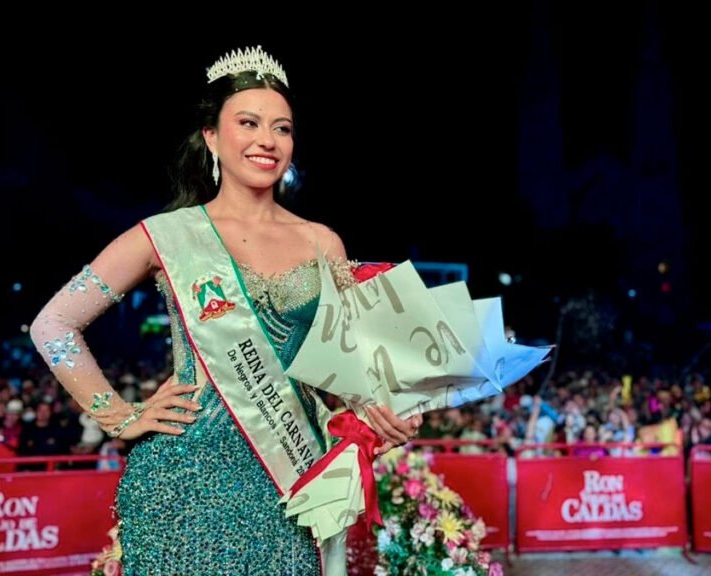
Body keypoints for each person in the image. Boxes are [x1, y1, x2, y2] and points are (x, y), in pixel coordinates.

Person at [31, 46, 422, 576]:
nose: (268, 140)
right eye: (249, 122)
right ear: (212, 137)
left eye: (282, 128)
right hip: (179, 485)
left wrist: (387, 414)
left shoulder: (321, 242)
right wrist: (118, 415)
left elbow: (352, 371)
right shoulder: (165, 236)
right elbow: (54, 324)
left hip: (293, 482)